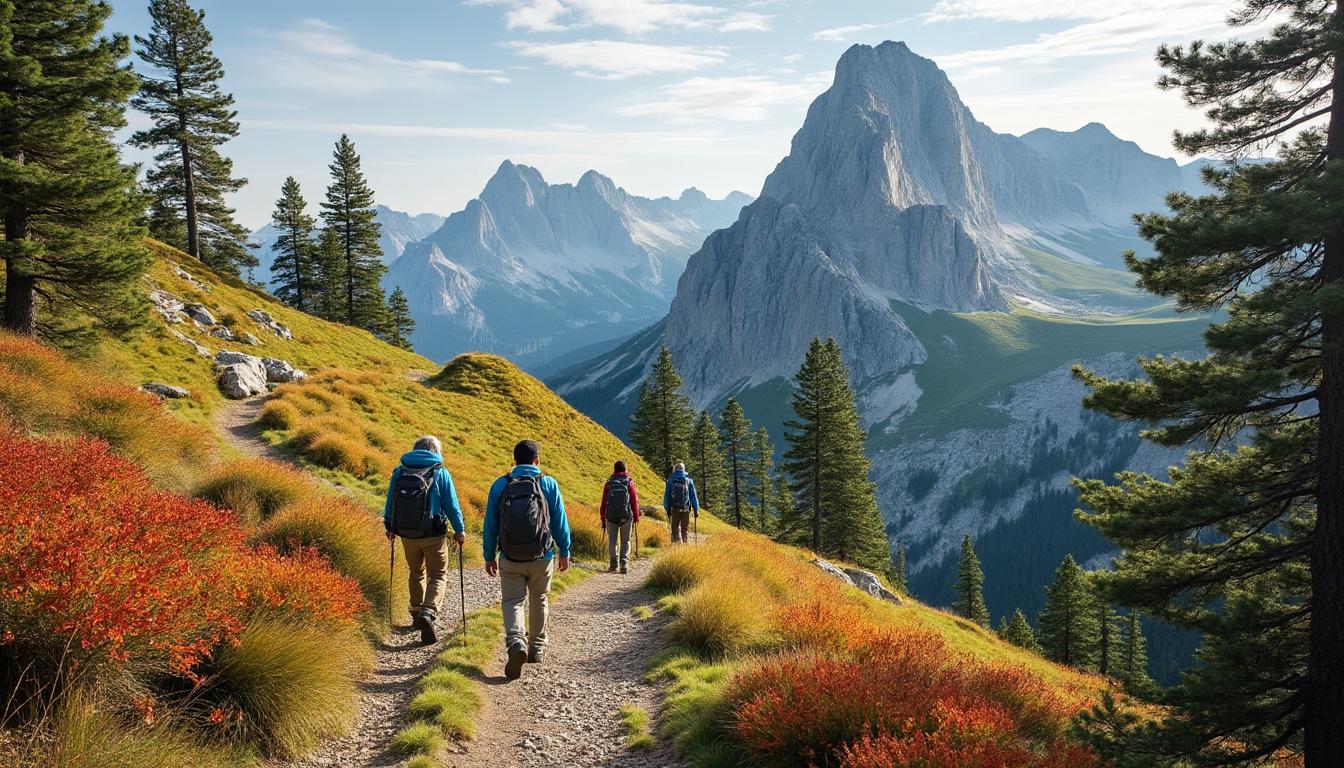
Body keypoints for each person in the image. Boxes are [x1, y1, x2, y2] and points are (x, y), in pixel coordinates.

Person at [483, 439, 572, 680]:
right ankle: (537, 648)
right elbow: (560, 521)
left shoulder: (500, 485)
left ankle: (516, 642)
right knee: (539, 599)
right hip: (542, 556)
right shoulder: (548, 484)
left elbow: (490, 524)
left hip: (510, 556)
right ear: (537, 461)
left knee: (513, 601)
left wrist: (489, 555)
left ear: (514, 461)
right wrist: (565, 551)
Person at [384, 435, 467, 645]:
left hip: (406, 533)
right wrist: (460, 530)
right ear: (436, 451)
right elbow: (452, 506)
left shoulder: (400, 471)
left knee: (415, 571)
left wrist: (389, 526)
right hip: (433, 534)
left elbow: (390, 500)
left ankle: (416, 613)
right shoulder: (440, 472)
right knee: (437, 575)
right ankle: (428, 612)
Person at [599, 460, 641, 574]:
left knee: (612, 540)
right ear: (625, 469)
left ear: (614, 469)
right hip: (626, 516)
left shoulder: (609, 483)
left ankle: (613, 565)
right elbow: (634, 501)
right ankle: (624, 565)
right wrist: (636, 517)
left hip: (610, 516)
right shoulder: (629, 482)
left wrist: (603, 516)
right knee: (625, 540)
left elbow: (604, 501)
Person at [663, 462, 700, 544]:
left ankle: (675, 546)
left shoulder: (670, 481)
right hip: (685, 508)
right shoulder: (689, 481)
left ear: (674, 470)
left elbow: (666, 497)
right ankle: (685, 546)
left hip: (674, 508)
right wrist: (696, 509)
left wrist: (667, 509)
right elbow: (693, 496)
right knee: (684, 529)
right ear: (683, 469)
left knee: (674, 529)